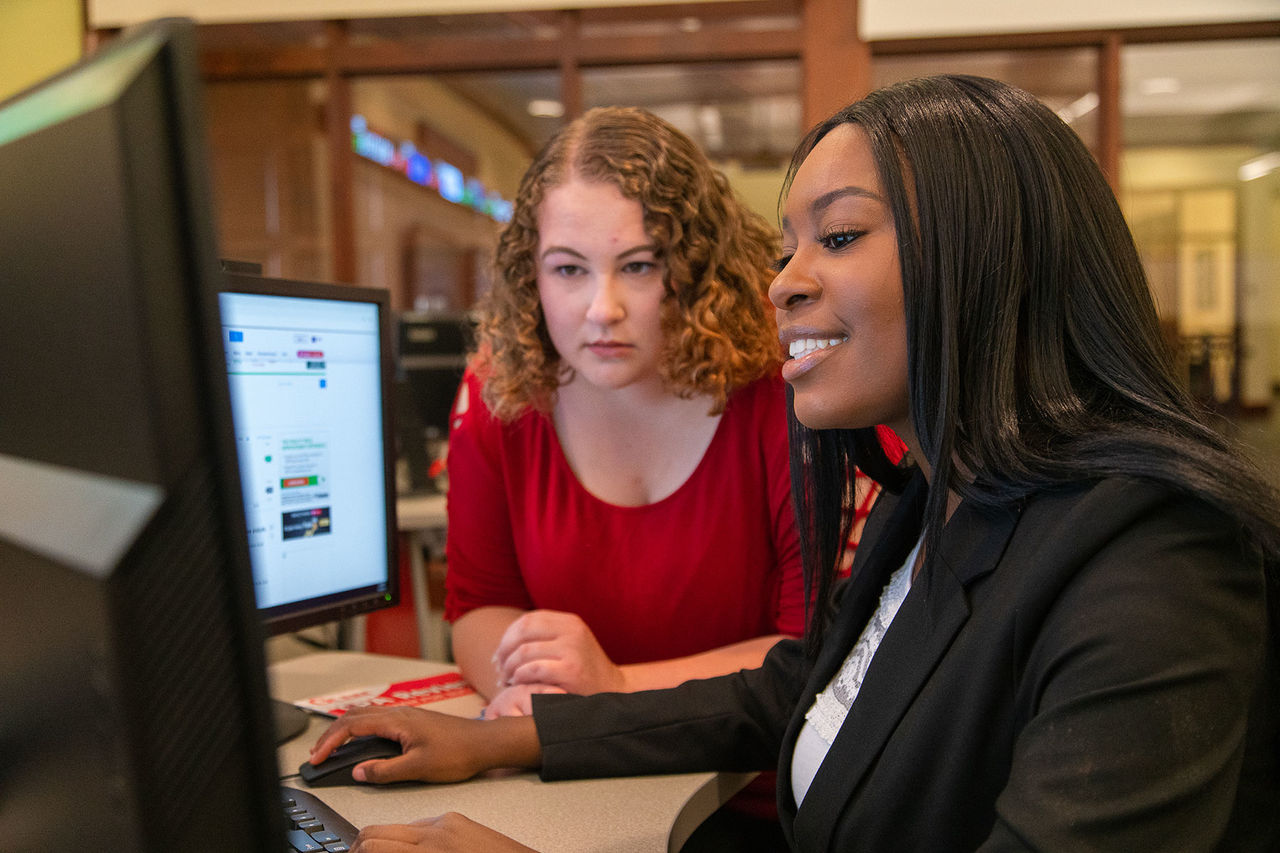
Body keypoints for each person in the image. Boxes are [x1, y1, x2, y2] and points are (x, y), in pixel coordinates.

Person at [311, 75, 1280, 852]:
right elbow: (791, 685)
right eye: (786, 246)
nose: (781, 282)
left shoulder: (1157, 567)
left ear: (984, 257)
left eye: (840, 236)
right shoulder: (939, 500)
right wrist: (498, 737)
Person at [443, 105, 820, 723]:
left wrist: (614, 688)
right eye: (568, 269)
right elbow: (480, 606)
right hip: (573, 767)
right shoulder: (499, 387)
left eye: (639, 266)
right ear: (529, 275)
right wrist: (530, 699)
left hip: (756, 780)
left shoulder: (786, 383)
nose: (602, 308)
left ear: (699, 268)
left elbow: (817, 649)